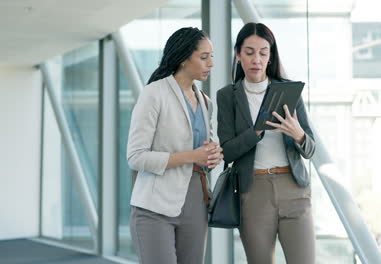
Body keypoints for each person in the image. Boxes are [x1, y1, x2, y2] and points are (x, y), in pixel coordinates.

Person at [216, 22, 316, 264]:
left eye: (263, 52)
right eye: (249, 52)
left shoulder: (289, 92)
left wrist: (298, 134)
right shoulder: (227, 96)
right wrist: (256, 132)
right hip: (253, 191)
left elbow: (311, 148)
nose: (256, 60)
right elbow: (227, 151)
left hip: (294, 189)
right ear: (238, 54)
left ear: (271, 56)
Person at [127, 27, 223, 264]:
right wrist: (193, 155)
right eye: (204, 57)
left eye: (212, 56)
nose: (211, 63)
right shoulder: (154, 93)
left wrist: (212, 156)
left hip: (196, 202)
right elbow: (136, 157)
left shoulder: (205, 102)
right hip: (154, 207)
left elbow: (203, 152)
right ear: (183, 58)